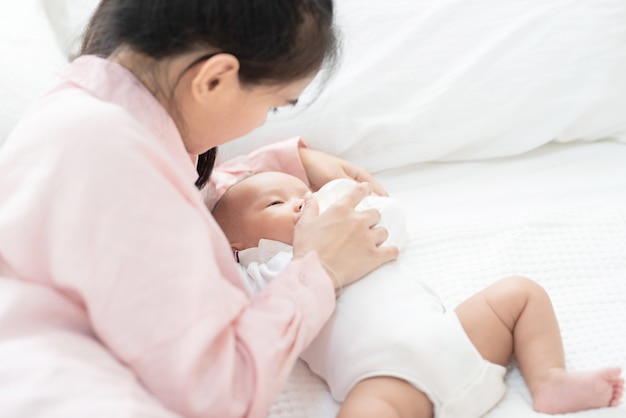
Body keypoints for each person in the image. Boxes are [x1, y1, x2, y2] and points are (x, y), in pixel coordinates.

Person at [0, 1, 400, 417]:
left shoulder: (85, 109)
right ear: (213, 80)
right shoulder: (122, 166)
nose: (265, 121)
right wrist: (319, 268)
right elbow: (220, 394)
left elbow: (182, 194)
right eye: (275, 106)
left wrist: (285, 163)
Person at [212, 171, 624, 418]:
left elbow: (394, 220)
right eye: (277, 202)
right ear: (239, 247)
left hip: (458, 340)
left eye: (305, 193)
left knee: (521, 293)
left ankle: (549, 379)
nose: (304, 203)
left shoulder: (356, 229)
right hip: (388, 381)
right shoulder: (260, 273)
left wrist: (346, 199)